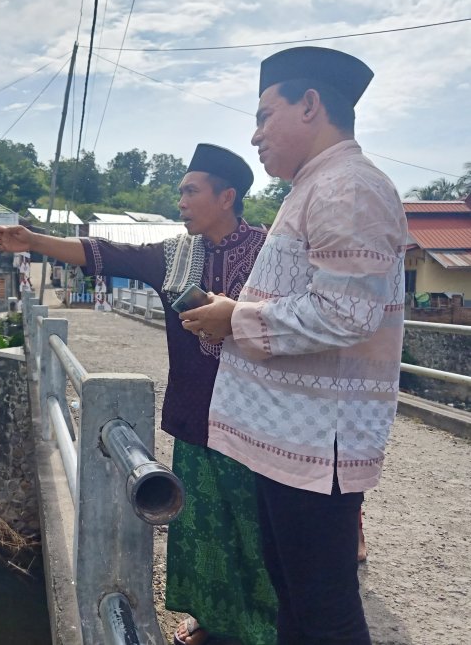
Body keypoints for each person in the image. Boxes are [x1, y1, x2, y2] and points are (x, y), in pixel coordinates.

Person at [0, 144, 277, 645]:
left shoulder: (273, 253)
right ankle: (211, 618)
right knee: (204, 522)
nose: (180, 200)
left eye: (190, 190)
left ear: (227, 196)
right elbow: (102, 252)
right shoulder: (174, 254)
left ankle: (264, 625)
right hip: (197, 415)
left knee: (255, 524)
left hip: (260, 418)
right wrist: (32, 240)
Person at [180, 47, 407, 644]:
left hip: (316, 445)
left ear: (310, 106)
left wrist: (235, 318)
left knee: (323, 605)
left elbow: (347, 312)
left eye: (263, 115)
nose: (255, 135)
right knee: (295, 593)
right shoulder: (318, 186)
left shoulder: (348, 187)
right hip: (294, 439)